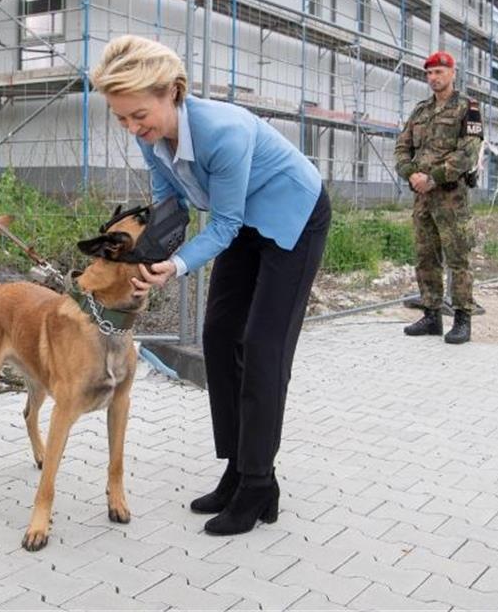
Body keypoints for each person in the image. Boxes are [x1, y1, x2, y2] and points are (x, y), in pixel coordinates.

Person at [90, 35, 331, 536]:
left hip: (292, 218)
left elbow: (222, 224)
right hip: (243, 221)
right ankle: (237, 469)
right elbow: (167, 197)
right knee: (220, 337)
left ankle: (259, 483)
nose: (134, 129)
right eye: (122, 119)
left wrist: (175, 266)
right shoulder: (149, 133)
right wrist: (148, 253)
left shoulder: (222, 132)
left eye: (139, 115)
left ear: (172, 92)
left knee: (263, 348)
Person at [393, 51, 483, 345]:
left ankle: (462, 319)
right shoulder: (420, 111)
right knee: (426, 257)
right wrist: (411, 174)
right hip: (422, 199)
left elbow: (468, 152)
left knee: (458, 258)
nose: (434, 78)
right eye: (429, 73)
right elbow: (402, 147)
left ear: (452, 73)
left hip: (451, 198)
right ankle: (432, 316)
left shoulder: (468, 108)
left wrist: (433, 178)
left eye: (439, 72)